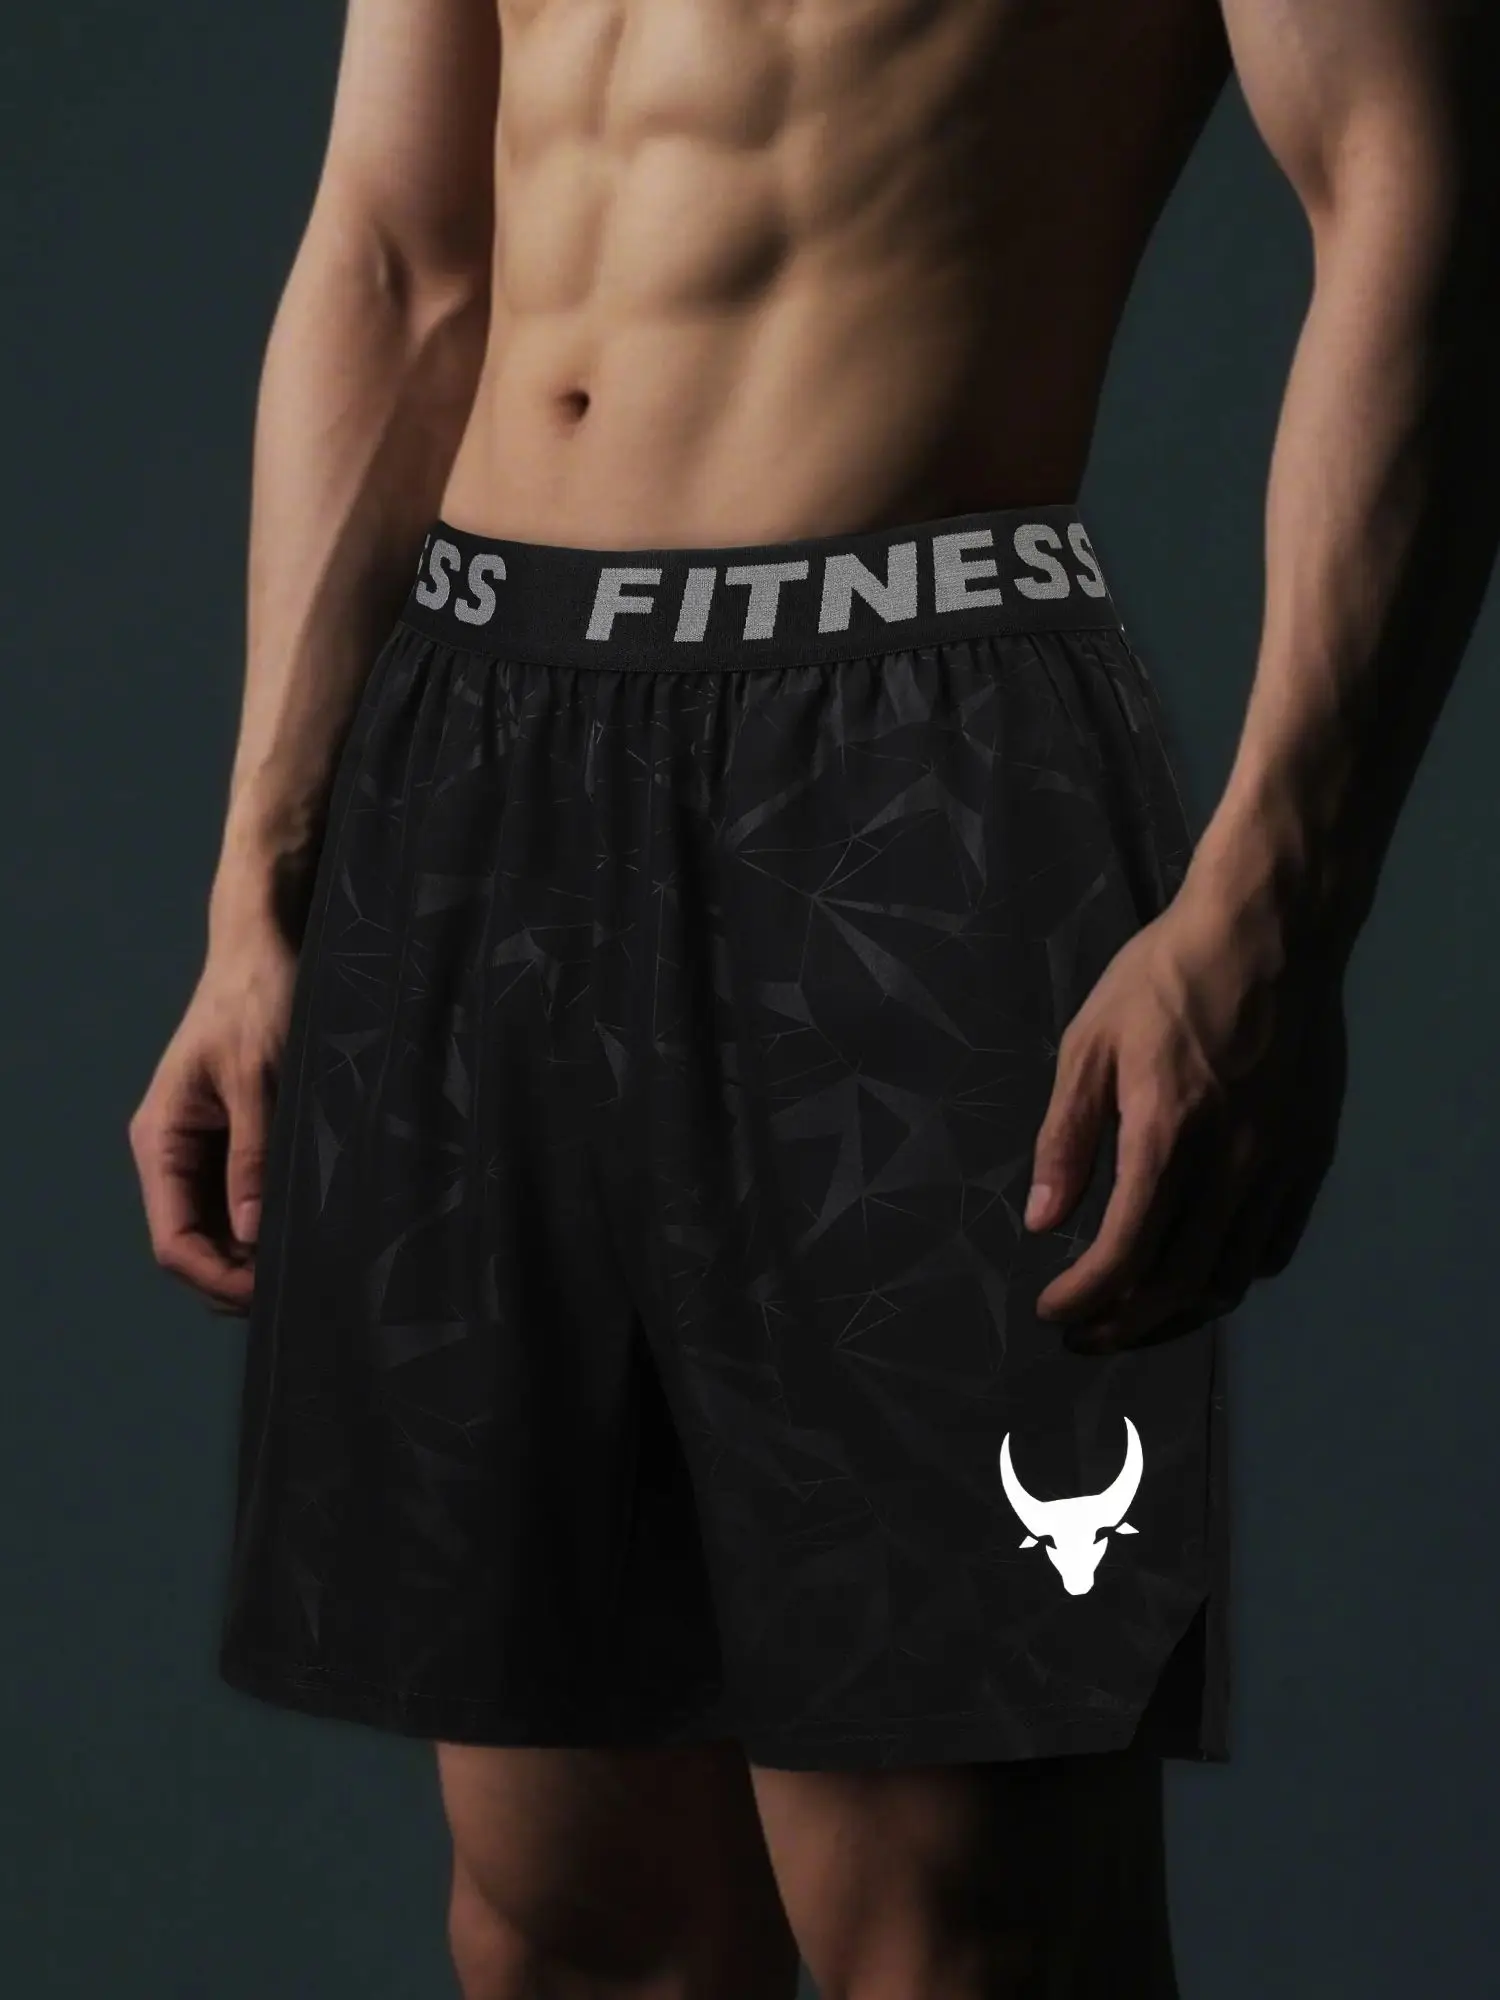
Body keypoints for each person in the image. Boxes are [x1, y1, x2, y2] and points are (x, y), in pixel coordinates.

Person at [128, 1, 1500, 1993]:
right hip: (481, 759)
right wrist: (258, 892)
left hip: (904, 767)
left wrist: (1275, 898)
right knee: (565, 1922)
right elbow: (398, 255)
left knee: (960, 1927)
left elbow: (1417, 192)